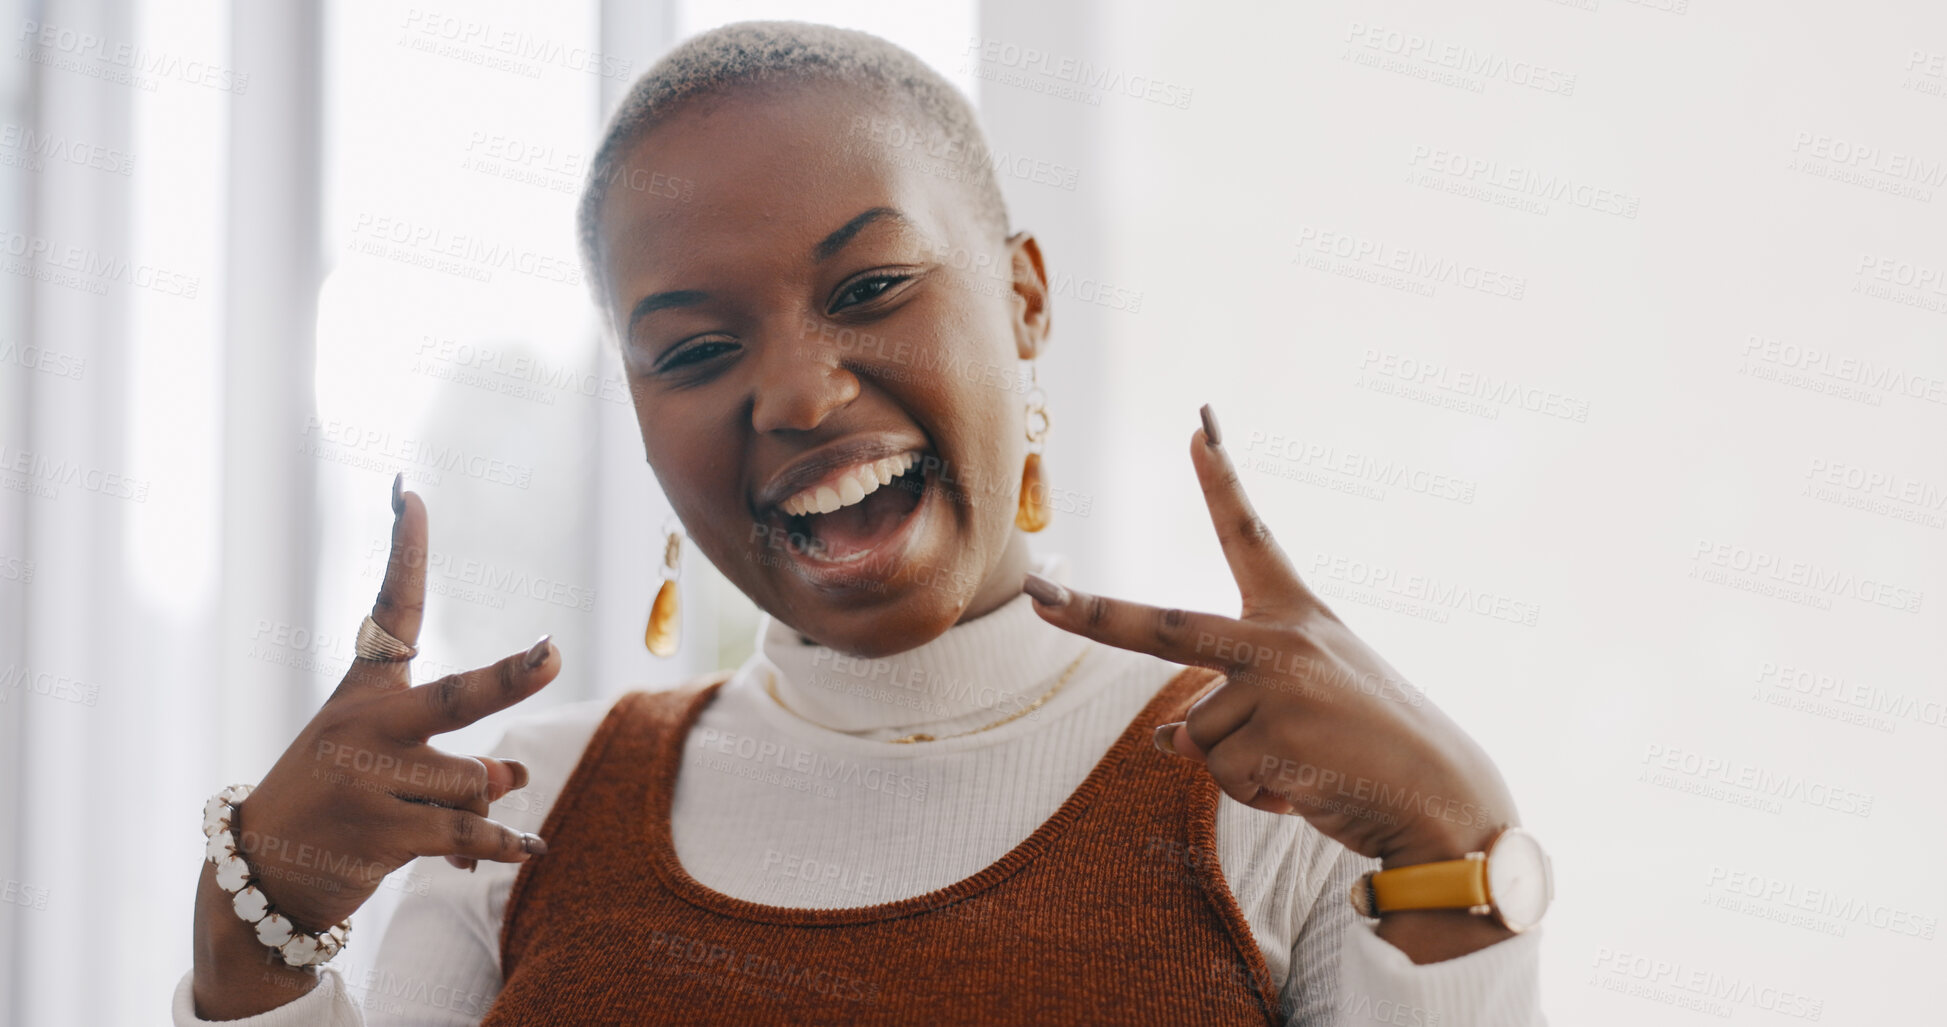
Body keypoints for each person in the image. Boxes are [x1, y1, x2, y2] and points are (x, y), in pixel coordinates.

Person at [176, 21, 1548, 1026]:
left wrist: (1460, 856)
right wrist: (257, 942)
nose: (793, 391)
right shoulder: (521, 822)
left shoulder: (1278, 800)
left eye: (873, 285)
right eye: (696, 350)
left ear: (1023, 300)